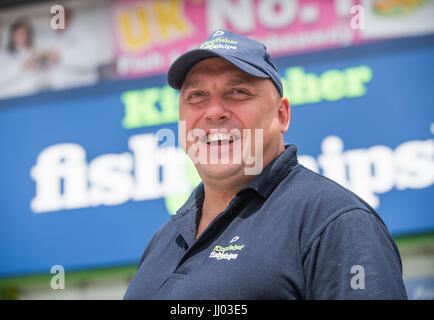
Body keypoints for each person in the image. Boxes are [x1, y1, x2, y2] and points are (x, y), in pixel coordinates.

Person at [123, 29, 407, 300]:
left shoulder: (335, 221)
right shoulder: (163, 239)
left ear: (282, 115)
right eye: (197, 96)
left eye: (238, 92)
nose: (214, 112)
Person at [0, 18, 46, 100]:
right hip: (7, 102)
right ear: (12, 35)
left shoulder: (33, 52)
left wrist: (39, 68)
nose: (23, 36)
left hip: (32, 100)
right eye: (19, 33)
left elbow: (41, 80)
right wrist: (21, 66)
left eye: (25, 33)